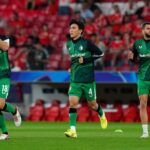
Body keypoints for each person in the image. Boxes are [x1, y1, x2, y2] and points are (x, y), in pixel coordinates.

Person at [64, 19, 108, 138]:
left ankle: (101, 114)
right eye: (70, 28)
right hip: (75, 79)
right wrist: (71, 67)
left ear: (80, 31)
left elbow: (100, 54)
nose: (71, 30)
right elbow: (74, 60)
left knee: (92, 105)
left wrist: (87, 60)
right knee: (72, 103)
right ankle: (73, 130)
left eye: (74, 28)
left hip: (88, 80)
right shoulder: (68, 44)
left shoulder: (87, 43)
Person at [128, 22, 150, 138]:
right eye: (148, 28)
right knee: (143, 104)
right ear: (143, 30)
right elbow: (132, 57)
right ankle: (145, 132)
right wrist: (131, 57)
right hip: (142, 78)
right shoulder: (137, 44)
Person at [0, 36, 22, 140]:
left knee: (0, 104)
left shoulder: (3, 38)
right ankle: (5, 133)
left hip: (3, 75)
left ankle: (14, 110)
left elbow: (5, 47)